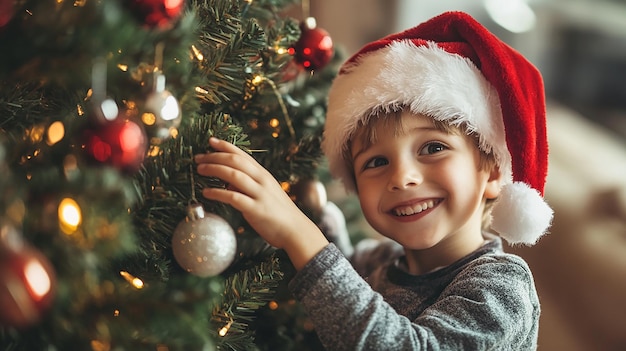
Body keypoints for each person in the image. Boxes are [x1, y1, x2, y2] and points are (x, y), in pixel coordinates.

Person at [194, 11, 554, 350]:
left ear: (492, 173)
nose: (402, 177)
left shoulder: (502, 287)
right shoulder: (382, 261)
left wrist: (299, 235)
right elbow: (347, 282)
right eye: (376, 161)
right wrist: (319, 223)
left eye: (433, 147)